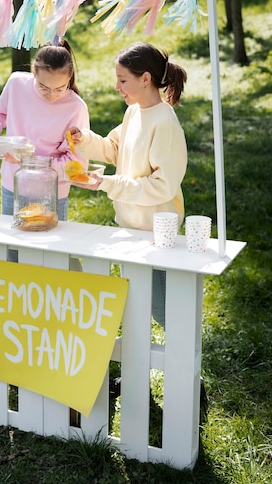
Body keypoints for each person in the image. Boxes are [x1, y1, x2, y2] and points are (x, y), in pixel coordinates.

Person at [68, 41, 188, 329]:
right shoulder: (134, 112)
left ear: (145, 79)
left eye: (123, 80)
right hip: (131, 228)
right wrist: (83, 138)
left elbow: (162, 186)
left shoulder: (165, 122)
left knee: (162, 308)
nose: (117, 87)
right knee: (134, 303)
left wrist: (108, 183)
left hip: (156, 232)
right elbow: (114, 149)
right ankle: (137, 371)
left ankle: (188, 371)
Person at [0, 39, 90, 222]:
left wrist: (30, 162)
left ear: (69, 78)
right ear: (33, 73)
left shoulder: (76, 108)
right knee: (12, 246)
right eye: (43, 87)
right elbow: (0, 110)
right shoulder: (16, 84)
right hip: (12, 186)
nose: (51, 96)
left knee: (47, 248)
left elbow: (77, 164)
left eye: (60, 89)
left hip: (51, 193)